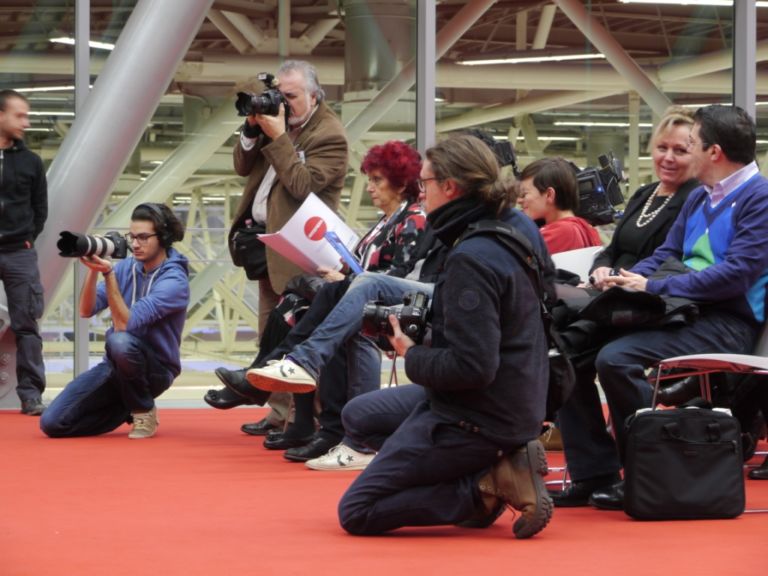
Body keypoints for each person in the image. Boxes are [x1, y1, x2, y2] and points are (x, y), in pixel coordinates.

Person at [335, 134, 553, 539]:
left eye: (425, 184)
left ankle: (486, 484)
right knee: (361, 416)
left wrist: (411, 351)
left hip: (476, 414)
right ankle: (484, 468)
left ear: (450, 187)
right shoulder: (514, 228)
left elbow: (472, 366)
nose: (420, 194)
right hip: (519, 399)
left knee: (358, 510)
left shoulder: (471, 257)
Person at [553, 105, 768, 510]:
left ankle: (645, 473)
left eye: (692, 145)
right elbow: (667, 252)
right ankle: (594, 473)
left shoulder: (760, 199)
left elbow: (736, 276)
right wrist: (621, 277)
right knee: (565, 352)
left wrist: (652, 284)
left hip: (727, 321)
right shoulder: (702, 196)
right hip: (681, 307)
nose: (684, 152)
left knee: (615, 359)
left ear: (714, 152)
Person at [231, 141, 426, 460]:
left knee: (325, 305)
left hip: (391, 309)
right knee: (303, 301)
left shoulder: (413, 219)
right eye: (370, 179)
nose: (370, 187)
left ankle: (282, 373)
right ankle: (319, 422)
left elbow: (399, 278)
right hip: (363, 303)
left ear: (401, 182)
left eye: (377, 179)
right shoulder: (383, 223)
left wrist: (346, 280)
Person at [551, 106, 700, 506]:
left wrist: (622, 278)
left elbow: (676, 262)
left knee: (603, 360)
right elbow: (612, 249)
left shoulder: (698, 198)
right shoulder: (643, 193)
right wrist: (600, 271)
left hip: (651, 304)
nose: (668, 157)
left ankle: (641, 469)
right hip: (611, 296)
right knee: (559, 358)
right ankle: (592, 472)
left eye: (680, 150)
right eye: (662, 147)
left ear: (700, 153)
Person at [228, 59, 348, 430]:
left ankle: (303, 419)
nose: (283, 103)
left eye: (291, 96)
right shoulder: (277, 120)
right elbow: (242, 166)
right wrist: (252, 129)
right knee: (270, 334)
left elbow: (301, 185)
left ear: (314, 96)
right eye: (279, 94)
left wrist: (279, 138)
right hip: (270, 247)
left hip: (304, 251)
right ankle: (279, 412)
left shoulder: (329, 135)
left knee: (298, 337)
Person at [40, 203, 189, 439]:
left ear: (164, 237)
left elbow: (125, 326)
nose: (135, 244)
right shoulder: (127, 268)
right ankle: (126, 409)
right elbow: (85, 310)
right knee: (53, 423)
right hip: (115, 366)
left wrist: (109, 274)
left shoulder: (174, 280)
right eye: (132, 237)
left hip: (156, 369)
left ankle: (143, 408)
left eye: (143, 237)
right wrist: (93, 269)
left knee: (120, 341)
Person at [0, 90, 48, 416]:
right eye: (19, 115)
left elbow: (40, 211)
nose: (26, 123)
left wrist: (26, 239)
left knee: (27, 326)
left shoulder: (31, 162)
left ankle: (31, 396)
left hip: (19, 252)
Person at [517, 156, 601, 254]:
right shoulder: (584, 229)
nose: (519, 200)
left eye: (524, 194)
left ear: (549, 195)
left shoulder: (562, 232)